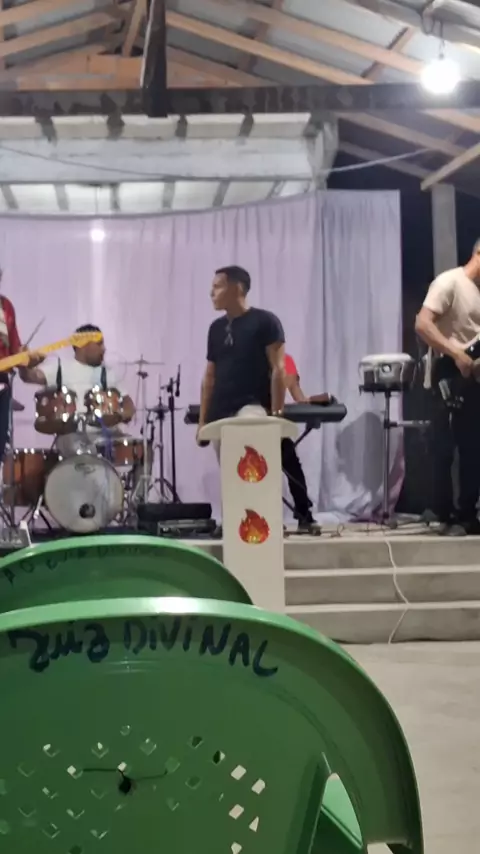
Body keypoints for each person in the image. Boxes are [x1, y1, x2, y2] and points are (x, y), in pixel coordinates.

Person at [197, 265, 318, 532]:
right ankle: (238, 521)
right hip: (221, 412)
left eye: (217, 286)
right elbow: (209, 376)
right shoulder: (216, 329)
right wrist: (202, 423)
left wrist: (276, 414)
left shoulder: (265, 322)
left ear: (236, 288)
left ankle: (280, 517)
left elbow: (279, 369)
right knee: (232, 470)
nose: (211, 292)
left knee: (262, 465)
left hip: (253, 407)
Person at [415, 239, 480, 535]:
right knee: (444, 445)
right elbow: (422, 324)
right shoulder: (450, 282)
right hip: (449, 372)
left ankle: (467, 513)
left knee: (473, 446)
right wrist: (457, 355)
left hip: (474, 377)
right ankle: (443, 511)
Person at [19, 323, 136, 456]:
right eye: (99, 344)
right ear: (82, 345)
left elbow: (128, 403)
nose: (104, 349)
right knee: (80, 448)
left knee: (132, 448)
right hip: (71, 435)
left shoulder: (108, 373)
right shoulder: (60, 368)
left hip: (106, 434)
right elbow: (29, 377)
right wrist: (23, 365)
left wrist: (123, 414)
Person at [0, 274, 43, 461]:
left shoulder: (6, 307)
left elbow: (14, 348)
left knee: (1, 439)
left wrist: (27, 358)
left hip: (3, 380)